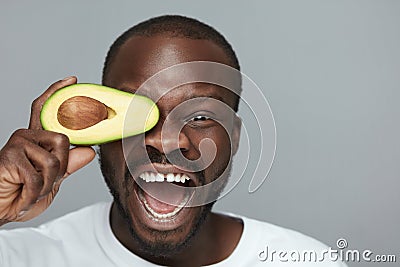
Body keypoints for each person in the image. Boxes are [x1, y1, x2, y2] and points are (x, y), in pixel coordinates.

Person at [0, 15, 347, 267]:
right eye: (135, 114)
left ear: (234, 139)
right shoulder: (20, 257)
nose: (165, 141)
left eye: (199, 117)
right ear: (99, 137)